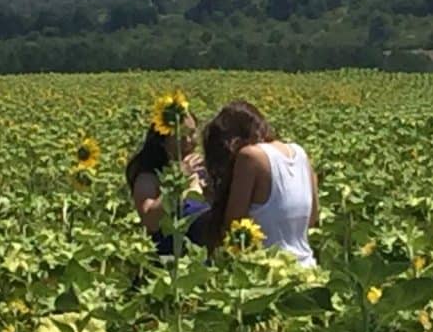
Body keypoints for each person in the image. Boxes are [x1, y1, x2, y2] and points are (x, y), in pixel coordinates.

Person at [203, 101, 319, 267]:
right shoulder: (299, 152)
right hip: (307, 268)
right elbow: (312, 218)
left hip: (266, 274)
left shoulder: (250, 156)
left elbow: (233, 225)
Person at [125, 112, 208, 256]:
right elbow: (150, 220)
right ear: (163, 140)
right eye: (181, 135)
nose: (189, 141)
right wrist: (178, 181)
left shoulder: (199, 168)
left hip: (199, 257)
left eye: (192, 133)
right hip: (169, 261)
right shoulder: (149, 176)